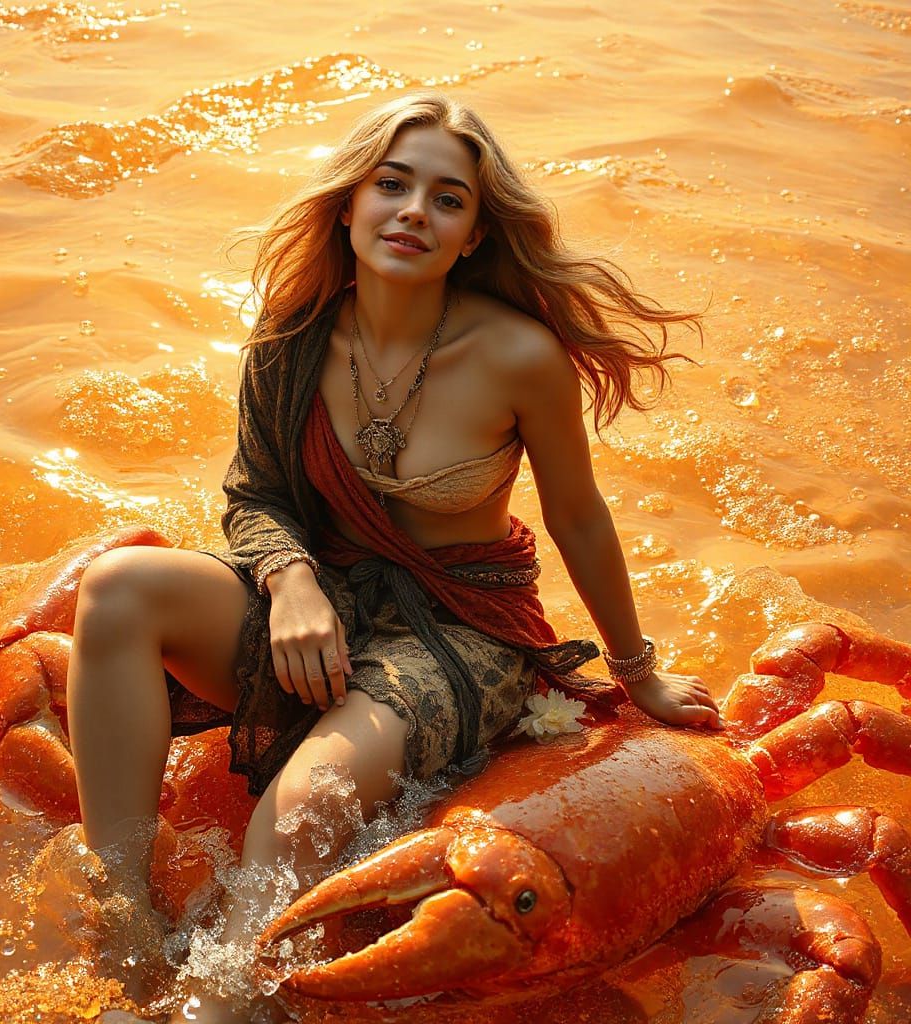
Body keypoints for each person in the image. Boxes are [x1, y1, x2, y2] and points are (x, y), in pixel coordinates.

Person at [69, 91, 722, 1023]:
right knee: (119, 587)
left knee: (300, 808)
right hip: (319, 602)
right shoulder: (289, 340)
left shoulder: (519, 357)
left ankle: (224, 1004)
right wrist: (290, 580)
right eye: (392, 184)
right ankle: (124, 925)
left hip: (460, 633)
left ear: (473, 239)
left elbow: (579, 519)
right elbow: (252, 496)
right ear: (349, 204)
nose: (415, 210)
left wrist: (637, 671)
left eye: (448, 199)